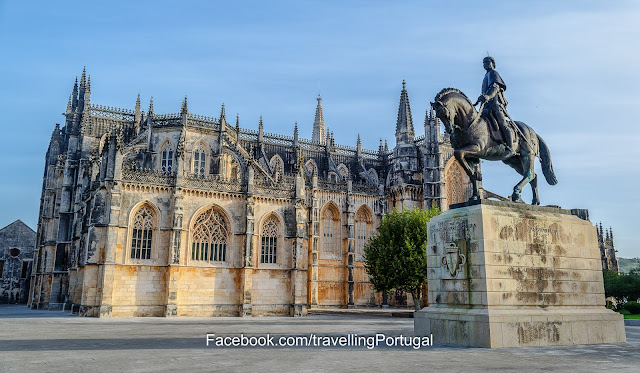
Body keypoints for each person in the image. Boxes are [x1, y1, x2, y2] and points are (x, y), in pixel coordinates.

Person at [475, 56, 516, 157]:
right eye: (483, 62)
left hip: (495, 104)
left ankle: (510, 148)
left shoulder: (493, 73)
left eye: (487, 62)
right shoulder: (486, 76)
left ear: (493, 63)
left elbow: (495, 87)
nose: (485, 64)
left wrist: (488, 96)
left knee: (503, 124)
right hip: (486, 106)